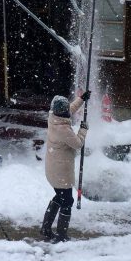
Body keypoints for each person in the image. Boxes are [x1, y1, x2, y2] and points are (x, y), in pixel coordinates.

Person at [40, 90, 91, 243]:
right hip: (61, 173)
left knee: (60, 197)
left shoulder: (53, 117)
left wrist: (81, 99)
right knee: (67, 201)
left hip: (53, 170)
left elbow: (70, 109)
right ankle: (61, 235)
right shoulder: (63, 130)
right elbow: (78, 144)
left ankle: (46, 228)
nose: (68, 112)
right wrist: (83, 129)